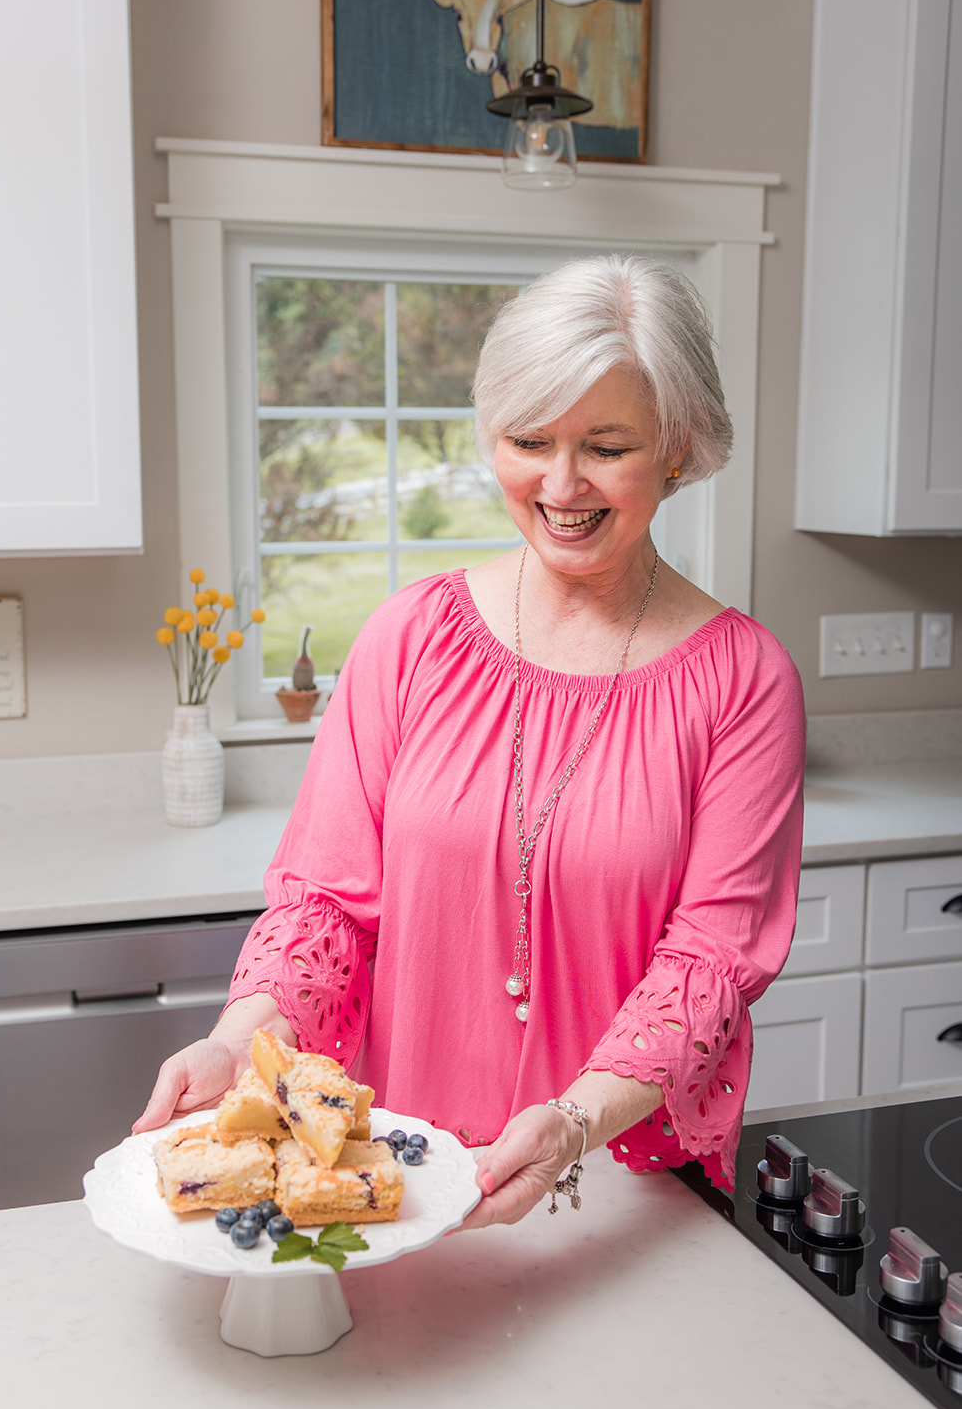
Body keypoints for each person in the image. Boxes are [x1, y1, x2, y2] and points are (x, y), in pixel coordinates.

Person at [134, 255, 805, 1231]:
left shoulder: (741, 681)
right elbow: (324, 909)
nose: (560, 482)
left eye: (604, 445)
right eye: (527, 439)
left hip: (625, 1188)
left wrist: (572, 1122)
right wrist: (242, 1043)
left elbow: (707, 962)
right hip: (412, 1178)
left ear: (675, 445)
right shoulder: (409, 638)